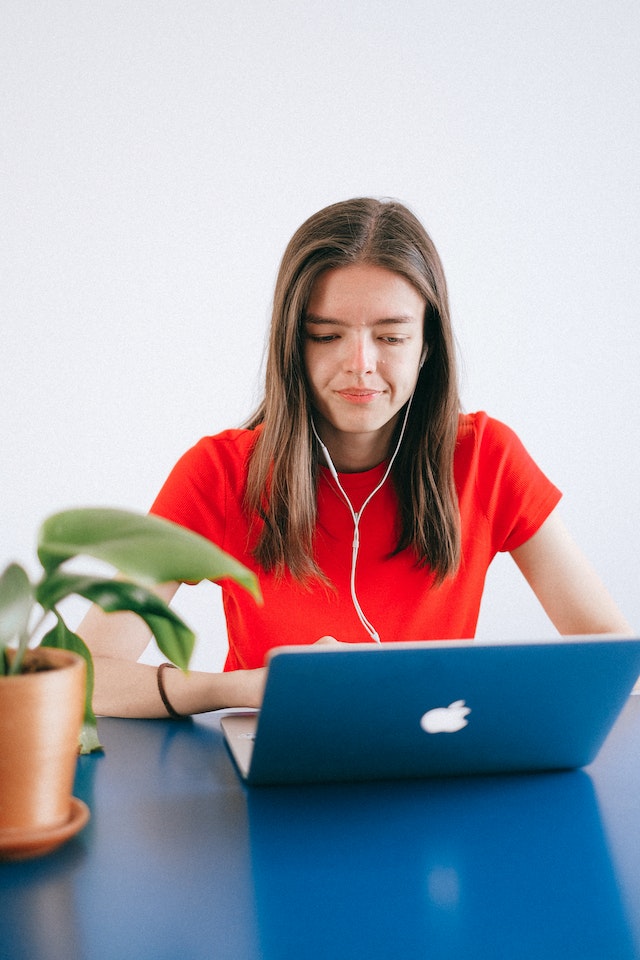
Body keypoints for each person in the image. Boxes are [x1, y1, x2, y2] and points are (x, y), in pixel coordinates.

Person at [79, 197, 632, 719]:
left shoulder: (487, 457)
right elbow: (84, 674)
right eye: (326, 335)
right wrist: (242, 688)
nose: (361, 364)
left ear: (427, 345)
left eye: (390, 338)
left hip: (434, 766)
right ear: (292, 343)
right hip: (274, 765)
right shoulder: (220, 472)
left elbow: (613, 658)